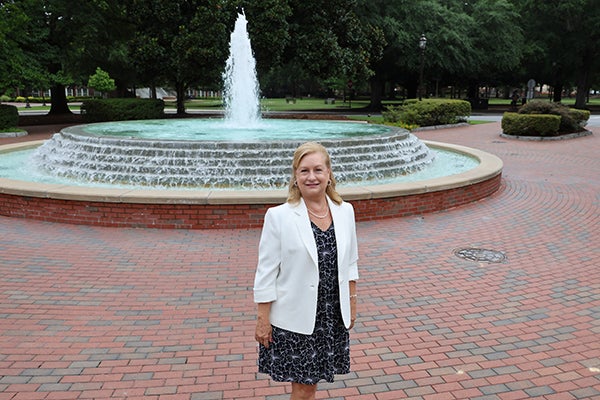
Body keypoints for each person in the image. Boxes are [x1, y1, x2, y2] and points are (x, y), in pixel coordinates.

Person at [253, 142, 359, 400]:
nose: (312, 177)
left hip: (331, 315)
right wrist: (262, 319)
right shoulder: (279, 216)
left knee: (311, 386)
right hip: (295, 319)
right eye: (304, 171)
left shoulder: (345, 212)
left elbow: (351, 264)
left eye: (318, 170)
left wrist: (352, 306)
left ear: (329, 174)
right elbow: (266, 271)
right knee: (303, 388)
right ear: (295, 177)